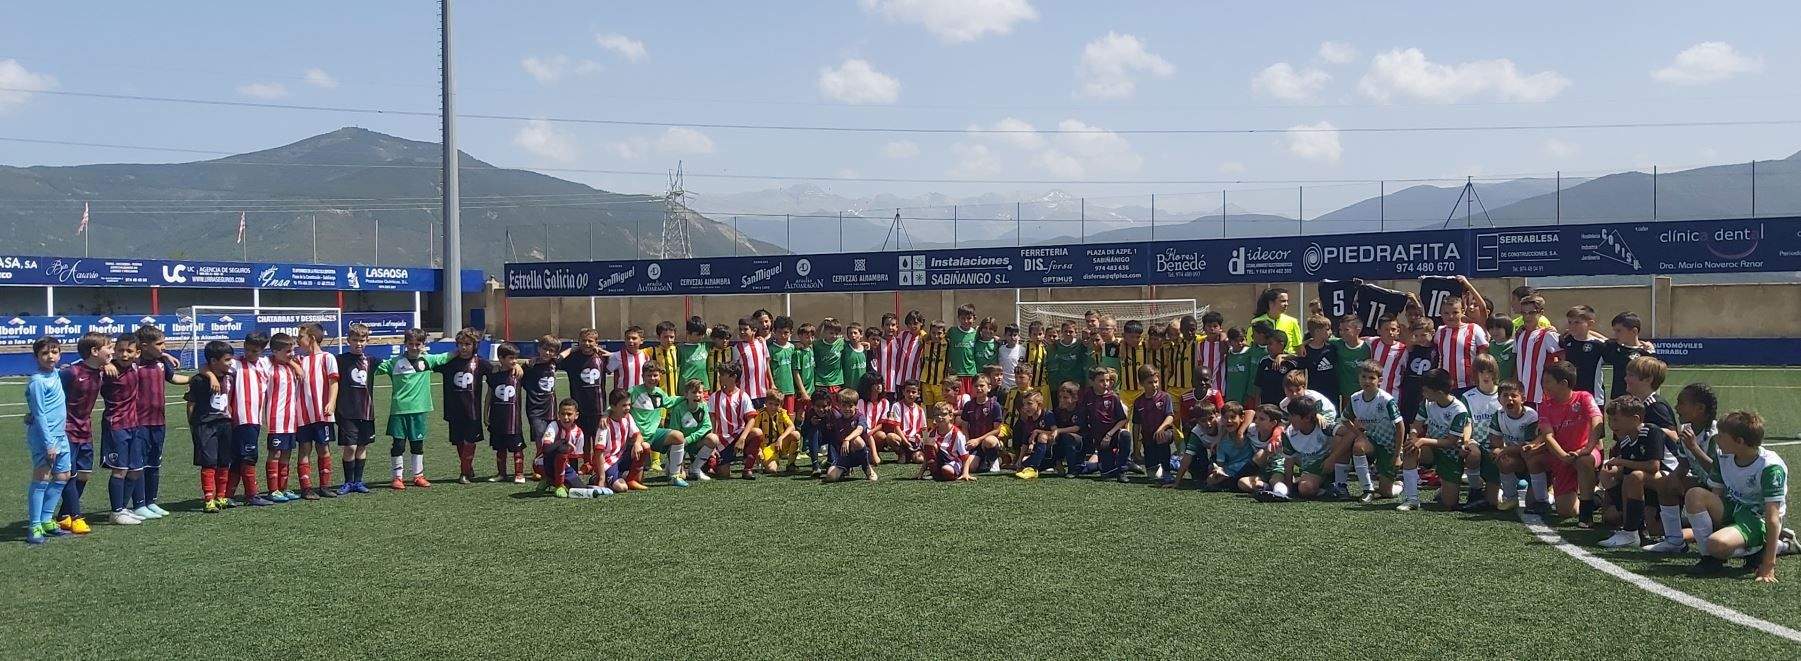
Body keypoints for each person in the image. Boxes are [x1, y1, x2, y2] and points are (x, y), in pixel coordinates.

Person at [1684, 410, 1796, 580]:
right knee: (1694, 495)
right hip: (1734, 509)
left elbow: (1772, 518)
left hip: (1757, 519)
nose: (1717, 438)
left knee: (1717, 544)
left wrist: (1768, 565)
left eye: (1721, 435)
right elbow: (1716, 494)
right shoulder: (1723, 457)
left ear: (1740, 441)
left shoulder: (1770, 467)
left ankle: (1767, 549)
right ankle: (1709, 559)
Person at [1524, 361, 1603, 519]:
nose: (1543, 385)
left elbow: (1598, 421)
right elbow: (1548, 436)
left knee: (1584, 461)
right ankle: (1598, 498)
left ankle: (1587, 510)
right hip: (1562, 457)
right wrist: (1563, 457)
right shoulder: (1546, 405)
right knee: (1566, 512)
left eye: (1547, 382)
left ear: (1564, 383)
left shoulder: (1583, 397)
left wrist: (1587, 449)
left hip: (1584, 453)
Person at [376, 328, 452, 491]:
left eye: (418, 344)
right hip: (399, 410)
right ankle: (397, 477)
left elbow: (446, 357)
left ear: (424, 344)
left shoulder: (428, 360)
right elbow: (372, 370)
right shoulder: (394, 363)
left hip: (420, 410)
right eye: (410, 344)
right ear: (405, 344)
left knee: (417, 444)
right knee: (398, 445)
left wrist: (465, 350)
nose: (414, 347)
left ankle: (418, 476)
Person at [130, 325, 189, 517]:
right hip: (138, 422)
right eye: (160, 344)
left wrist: (197, 378)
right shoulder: (133, 364)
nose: (164, 347)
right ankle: (138, 504)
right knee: (139, 465)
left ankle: (151, 502)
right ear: (144, 346)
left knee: (155, 463)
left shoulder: (162, 364)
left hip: (158, 421)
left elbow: (174, 378)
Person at [54, 332, 109, 534]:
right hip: (66, 429)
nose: (111, 351)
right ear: (95, 351)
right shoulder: (72, 372)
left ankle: (64, 514)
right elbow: (50, 390)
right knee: (70, 473)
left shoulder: (101, 372)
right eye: (108, 347)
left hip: (85, 428)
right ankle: (76, 516)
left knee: (84, 475)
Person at [1399, 369, 1475, 512]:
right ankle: (1412, 499)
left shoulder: (1459, 410)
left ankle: (1445, 488)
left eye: (1426, 391)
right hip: (1431, 448)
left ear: (1439, 393)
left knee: (1449, 504)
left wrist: (1422, 441)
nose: (1423, 394)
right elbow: (1416, 424)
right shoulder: (1427, 403)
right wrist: (1414, 436)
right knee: (1411, 449)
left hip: (1450, 454)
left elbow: (1451, 442)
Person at [1595, 396, 1664, 548]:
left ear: (1635, 419)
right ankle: (1632, 526)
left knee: (1634, 476)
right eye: (1610, 420)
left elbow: (1654, 467)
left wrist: (1621, 461)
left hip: (1668, 481)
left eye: (1616, 420)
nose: (1611, 425)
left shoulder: (1651, 431)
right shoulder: (1626, 441)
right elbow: (1626, 474)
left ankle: (1631, 531)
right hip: (1643, 485)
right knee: (1614, 477)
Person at [24, 337, 71, 544]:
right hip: (45, 437)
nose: (50, 356)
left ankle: (46, 519)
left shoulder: (57, 374)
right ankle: (34, 525)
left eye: (54, 352)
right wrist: (49, 443)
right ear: (36, 357)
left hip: (61, 435)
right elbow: (40, 413)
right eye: (45, 353)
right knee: (42, 477)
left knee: (63, 475)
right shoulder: (37, 382)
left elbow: (82, 364)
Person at [99, 334, 149, 523]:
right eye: (120, 350)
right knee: (119, 470)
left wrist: (166, 356)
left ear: (137, 353)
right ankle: (116, 511)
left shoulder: (136, 366)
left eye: (129, 351)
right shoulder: (108, 370)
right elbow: (84, 365)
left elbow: (154, 355)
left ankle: (123, 507)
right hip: (116, 425)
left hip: (134, 425)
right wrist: (105, 364)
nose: (124, 354)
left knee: (135, 470)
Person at [224, 332, 274, 508]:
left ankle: (227, 495)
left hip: (256, 417)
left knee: (239, 457)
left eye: (254, 351)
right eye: (247, 349)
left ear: (262, 350)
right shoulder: (235, 363)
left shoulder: (265, 363)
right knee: (248, 456)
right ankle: (251, 495)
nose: (249, 353)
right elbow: (208, 366)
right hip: (241, 417)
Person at [1346, 361, 1404, 504]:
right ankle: (1368, 490)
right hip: (1371, 441)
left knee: (1386, 493)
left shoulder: (1386, 400)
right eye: (1364, 377)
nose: (1367, 381)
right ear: (1359, 377)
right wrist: (1359, 434)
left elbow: (1400, 426)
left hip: (1388, 446)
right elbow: (1345, 420)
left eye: (1371, 378)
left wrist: (1397, 454)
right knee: (1358, 445)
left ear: (1380, 381)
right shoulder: (1355, 398)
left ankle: (1399, 485)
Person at [292, 323, 339, 499]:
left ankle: (325, 486)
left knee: (323, 448)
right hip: (302, 414)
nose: (297, 341)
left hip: (322, 413)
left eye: (300, 337)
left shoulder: (327, 358)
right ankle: (306, 488)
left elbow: (334, 382)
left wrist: (331, 402)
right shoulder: (299, 360)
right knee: (304, 449)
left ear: (311, 338)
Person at [188, 341, 235, 513]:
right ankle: (209, 499)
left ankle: (221, 497)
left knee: (224, 461)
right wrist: (193, 427)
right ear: (214, 361)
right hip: (206, 425)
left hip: (225, 423)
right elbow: (191, 404)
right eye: (227, 359)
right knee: (209, 462)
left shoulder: (230, 376)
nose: (230, 363)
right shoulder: (200, 380)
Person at [331, 325, 377, 495]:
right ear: (348, 341)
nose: (358, 343)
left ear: (367, 341)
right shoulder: (340, 360)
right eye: (355, 340)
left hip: (366, 412)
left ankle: (358, 481)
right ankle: (348, 482)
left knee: (362, 447)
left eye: (362, 340)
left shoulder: (372, 360)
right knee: (350, 447)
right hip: (346, 412)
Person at [261, 333, 305, 503]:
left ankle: (283, 488)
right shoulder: (267, 365)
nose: (291, 354)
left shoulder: (291, 365)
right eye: (287, 351)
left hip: (291, 419)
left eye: (292, 350)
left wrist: (293, 363)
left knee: (287, 453)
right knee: (275, 453)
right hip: (276, 419)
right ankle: (273, 490)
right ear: (274, 351)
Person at [628, 361, 684, 489]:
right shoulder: (634, 391)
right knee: (637, 481)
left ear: (659, 376)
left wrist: (684, 397)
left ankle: (674, 476)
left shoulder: (659, 392)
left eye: (655, 375)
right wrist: (605, 415)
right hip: (638, 438)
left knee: (678, 437)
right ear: (643, 376)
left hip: (654, 434)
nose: (652, 379)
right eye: (649, 375)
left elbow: (669, 402)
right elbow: (618, 405)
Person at [1461, 354, 1505, 510]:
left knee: (1493, 503)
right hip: (1477, 442)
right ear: (1475, 374)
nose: (1486, 375)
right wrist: (1467, 442)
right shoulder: (1468, 396)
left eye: (1489, 371)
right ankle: (1475, 490)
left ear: (1495, 373)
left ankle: (1500, 489)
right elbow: (1467, 423)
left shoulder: (1504, 394)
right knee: (1472, 453)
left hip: (1498, 445)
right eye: (1481, 371)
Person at [556, 327, 613, 446]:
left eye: (590, 341)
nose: (586, 344)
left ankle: (596, 464)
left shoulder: (602, 358)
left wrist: (605, 353)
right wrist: (571, 350)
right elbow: (556, 360)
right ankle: (586, 463)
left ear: (596, 343)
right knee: (582, 441)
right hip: (579, 408)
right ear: (578, 342)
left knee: (599, 442)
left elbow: (621, 359)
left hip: (598, 408)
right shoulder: (572, 358)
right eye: (583, 341)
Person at [1489, 380, 1539, 511]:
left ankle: (1548, 491)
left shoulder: (1531, 416)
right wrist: (1498, 451)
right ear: (1499, 399)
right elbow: (1495, 443)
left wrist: (1504, 450)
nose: (1509, 399)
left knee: (1533, 503)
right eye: (1505, 395)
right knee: (1502, 461)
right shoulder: (1498, 415)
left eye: (1513, 395)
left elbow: (1529, 446)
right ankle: (1510, 497)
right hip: (1515, 456)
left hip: (1533, 458)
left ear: (1523, 399)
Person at [709, 362, 761, 479]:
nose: (720, 377)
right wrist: (712, 445)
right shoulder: (714, 397)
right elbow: (712, 421)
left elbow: (751, 419)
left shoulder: (743, 396)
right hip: (722, 440)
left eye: (723, 374)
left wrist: (742, 438)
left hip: (738, 435)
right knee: (724, 474)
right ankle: (713, 463)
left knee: (757, 432)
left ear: (733, 377)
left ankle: (747, 469)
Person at [521, 335, 561, 482]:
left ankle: (548, 466)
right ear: (539, 348)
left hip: (550, 408)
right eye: (545, 349)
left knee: (550, 439)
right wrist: (522, 363)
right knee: (540, 439)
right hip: (535, 409)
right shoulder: (530, 366)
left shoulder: (554, 363)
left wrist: (574, 348)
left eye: (551, 351)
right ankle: (537, 467)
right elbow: (517, 371)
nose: (548, 353)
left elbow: (564, 354)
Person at [1080, 367, 1131, 481]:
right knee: (1106, 475)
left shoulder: (1113, 397)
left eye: (1107, 380)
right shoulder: (1087, 395)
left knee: (1125, 435)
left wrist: (1109, 434)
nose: (1106, 383)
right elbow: (1083, 417)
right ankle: (1105, 464)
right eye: (1101, 381)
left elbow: (1123, 419)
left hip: (1112, 435)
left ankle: (1122, 469)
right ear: (1092, 381)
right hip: (1099, 440)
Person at [665, 378, 722, 482]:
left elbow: (707, 427)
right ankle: (672, 464)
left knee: (713, 438)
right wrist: (682, 442)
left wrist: (689, 439)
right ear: (686, 394)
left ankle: (695, 468)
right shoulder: (678, 409)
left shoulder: (704, 407)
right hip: (681, 445)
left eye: (700, 392)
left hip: (694, 443)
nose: (697, 395)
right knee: (681, 477)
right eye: (694, 392)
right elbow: (674, 432)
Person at [485, 343, 527, 484]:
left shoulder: (518, 374)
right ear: (501, 359)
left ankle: (519, 474)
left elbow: (529, 361)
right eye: (511, 358)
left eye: (516, 358)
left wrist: (519, 365)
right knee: (500, 449)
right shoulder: (494, 374)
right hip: (497, 419)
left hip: (513, 420)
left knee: (517, 448)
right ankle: (501, 474)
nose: (514, 361)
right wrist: (486, 414)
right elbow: (489, 395)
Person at [1432, 298, 1489, 393]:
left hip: (1471, 386)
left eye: (1455, 312)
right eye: (1446, 313)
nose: (1451, 316)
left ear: (1462, 311)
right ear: (1441, 314)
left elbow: (1484, 357)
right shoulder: (1440, 331)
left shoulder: (1474, 329)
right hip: (1446, 386)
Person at [592, 388, 639, 496]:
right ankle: (597, 477)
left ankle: (628, 477)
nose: (627, 408)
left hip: (621, 457)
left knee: (644, 447)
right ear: (613, 407)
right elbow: (598, 452)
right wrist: (602, 478)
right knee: (622, 488)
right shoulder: (604, 424)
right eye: (624, 405)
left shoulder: (627, 417)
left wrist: (637, 443)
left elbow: (638, 435)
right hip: (608, 461)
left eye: (628, 405)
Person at [822, 388, 875, 483]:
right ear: (839, 406)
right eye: (844, 406)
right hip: (845, 455)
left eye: (850, 406)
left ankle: (867, 468)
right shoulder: (838, 421)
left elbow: (860, 429)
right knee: (830, 477)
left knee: (856, 440)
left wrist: (847, 440)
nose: (847, 409)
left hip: (860, 453)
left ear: (856, 406)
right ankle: (845, 469)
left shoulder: (859, 417)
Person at [538, 399, 588, 497]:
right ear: (558, 414)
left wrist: (574, 477)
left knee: (578, 488)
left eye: (569, 414)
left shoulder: (579, 433)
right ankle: (557, 484)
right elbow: (546, 449)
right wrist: (563, 441)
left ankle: (551, 481)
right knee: (562, 450)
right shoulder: (554, 425)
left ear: (576, 415)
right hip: (545, 463)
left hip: (565, 465)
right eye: (562, 414)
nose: (565, 417)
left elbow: (574, 458)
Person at [958, 375, 1008, 474]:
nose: (979, 388)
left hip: (987, 441)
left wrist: (978, 440)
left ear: (989, 387)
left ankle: (993, 459)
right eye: (976, 386)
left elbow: (997, 430)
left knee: (990, 441)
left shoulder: (994, 405)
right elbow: (964, 426)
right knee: (971, 468)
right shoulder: (968, 405)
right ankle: (983, 460)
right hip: (973, 443)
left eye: (982, 385)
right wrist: (968, 442)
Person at [1602, 312, 1656, 399]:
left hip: (1639, 400)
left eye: (1619, 331)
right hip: (1618, 399)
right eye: (1614, 331)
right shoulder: (1613, 347)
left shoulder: (1645, 352)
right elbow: (1598, 338)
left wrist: (1651, 350)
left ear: (1634, 331)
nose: (1615, 334)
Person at [1559, 306, 1608, 397]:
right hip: (1570, 394)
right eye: (1570, 322)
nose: (1572, 326)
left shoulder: (1600, 345)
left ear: (1590, 324)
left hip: (1593, 395)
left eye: (1577, 322)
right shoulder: (1566, 340)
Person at [922, 402, 975, 482]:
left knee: (947, 470)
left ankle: (954, 473)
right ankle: (935, 473)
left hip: (953, 461)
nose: (939, 417)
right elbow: (927, 455)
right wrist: (921, 472)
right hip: (940, 460)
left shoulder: (957, 434)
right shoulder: (933, 432)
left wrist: (965, 473)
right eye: (936, 415)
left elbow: (965, 457)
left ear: (950, 416)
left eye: (943, 414)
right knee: (929, 442)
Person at [1251, 322, 1299, 408]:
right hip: (1267, 406)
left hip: (1285, 407)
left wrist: (1282, 356)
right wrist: (1257, 406)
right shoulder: (1264, 361)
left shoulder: (1291, 363)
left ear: (1281, 344)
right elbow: (1258, 387)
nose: (1268, 347)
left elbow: (1301, 356)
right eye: (1267, 344)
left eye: (1270, 344)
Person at [1299, 314, 1342, 406]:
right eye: (1327, 329)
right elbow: (1301, 372)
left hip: (1332, 392)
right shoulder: (1305, 351)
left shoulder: (1332, 348)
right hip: (1315, 393)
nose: (1330, 332)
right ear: (1317, 331)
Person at [754, 394, 801, 475]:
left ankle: (791, 464)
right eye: (770, 404)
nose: (773, 407)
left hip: (780, 444)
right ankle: (771, 460)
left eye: (776, 404)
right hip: (766, 446)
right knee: (771, 470)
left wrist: (780, 438)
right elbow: (755, 433)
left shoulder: (782, 412)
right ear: (765, 403)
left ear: (780, 405)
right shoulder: (760, 414)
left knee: (796, 434)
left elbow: (792, 426)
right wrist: (758, 449)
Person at [1330, 314, 1370, 410]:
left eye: (1346, 330)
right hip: (1346, 396)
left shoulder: (1368, 347)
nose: (1342, 333)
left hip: (1364, 394)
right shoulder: (1337, 344)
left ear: (1358, 329)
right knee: (1347, 420)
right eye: (1340, 330)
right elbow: (1320, 338)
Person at [735, 318, 773, 407]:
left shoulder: (762, 343)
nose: (742, 332)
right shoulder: (737, 348)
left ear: (754, 330)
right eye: (740, 329)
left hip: (763, 391)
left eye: (745, 329)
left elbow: (766, 364)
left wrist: (772, 384)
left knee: (762, 419)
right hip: (746, 392)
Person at [1221, 326, 1261, 406]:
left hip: (1246, 397)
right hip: (1230, 396)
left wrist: (1250, 394)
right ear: (1230, 342)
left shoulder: (1250, 353)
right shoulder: (1228, 355)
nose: (1239, 343)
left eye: (1242, 340)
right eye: (1235, 341)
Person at [1044, 321, 1087, 394]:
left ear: (1076, 332)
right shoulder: (1055, 345)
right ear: (1061, 332)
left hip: (1076, 385)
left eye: (1071, 331)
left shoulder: (1081, 345)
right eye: (1065, 331)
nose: (1068, 334)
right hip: (1059, 386)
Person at [946, 304, 980, 396]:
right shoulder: (952, 332)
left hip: (971, 373)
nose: (965, 321)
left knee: (971, 400)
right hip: (956, 374)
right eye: (962, 318)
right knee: (957, 400)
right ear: (958, 318)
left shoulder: (976, 334)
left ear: (974, 318)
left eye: (969, 318)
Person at [768, 316, 799, 412]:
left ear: (791, 332)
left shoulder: (792, 348)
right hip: (776, 390)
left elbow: (795, 370)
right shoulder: (771, 349)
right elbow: (767, 367)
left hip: (790, 389)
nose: (782, 335)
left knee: (789, 416)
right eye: (779, 332)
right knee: (776, 416)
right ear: (774, 331)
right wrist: (772, 384)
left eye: (786, 333)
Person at [813, 318, 847, 396]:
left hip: (836, 382)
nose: (834, 336)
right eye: (831, 333)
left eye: (836, 333)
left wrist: (865, 343)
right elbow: (814, 336)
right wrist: (822, 323)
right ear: (825, 332)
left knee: (835, 407)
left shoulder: (841, 342)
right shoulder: (818, 344)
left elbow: (854, 342)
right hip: (821, 382)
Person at [1484, 315, 1516, 390]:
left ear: (1507, 328)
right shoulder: (1491, 345)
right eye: (1491, 328)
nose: (1494, 331)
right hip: (1494, 385)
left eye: (1498, 328)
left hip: (1510, 385)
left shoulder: (1514, 345)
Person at [996, 323, 1026, 389]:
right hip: (1004, 385)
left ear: (1019, 336)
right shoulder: (1001, 349)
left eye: (1015, 335)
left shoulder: (1023, 350)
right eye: (1009, 335)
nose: (1012, 338)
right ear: (1005, 336)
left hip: (1017, 384)